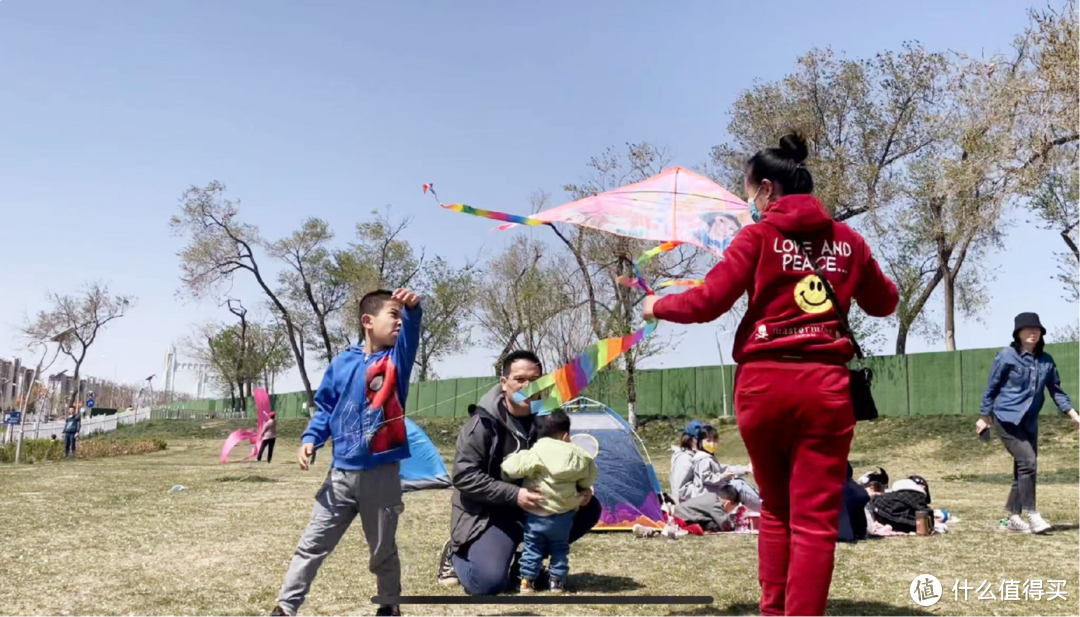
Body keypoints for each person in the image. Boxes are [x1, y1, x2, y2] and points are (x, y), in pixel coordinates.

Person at [644, 133, 899, 616]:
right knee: (816, 520)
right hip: (825, 388)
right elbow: (885, 303)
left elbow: (707, 302)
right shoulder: (849, 241)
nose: (747, 201)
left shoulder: (757, 238)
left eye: (747, 191)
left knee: (777, 509)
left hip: (763, 386)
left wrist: (657, 305)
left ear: (765, 189)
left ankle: (773, 610)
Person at [271, 288, 421, 617]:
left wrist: (413, 310)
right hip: (339, 477)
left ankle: (389, 607)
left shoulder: (396, 361)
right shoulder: (341, 363)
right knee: (311, 544)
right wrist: (311, 438)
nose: (398, 322)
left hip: (382, 476)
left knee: (382, 552)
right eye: (392, 315)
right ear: (368, 321)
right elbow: (325, 407)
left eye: (400, 317)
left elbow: (409, 332)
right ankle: (285, 607)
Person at [438, 350, 602, 595]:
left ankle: (524, 566)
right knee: (488, 584)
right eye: (520, 379)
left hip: (532, 510)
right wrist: (514, 494)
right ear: (504, 383)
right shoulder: (482, 423)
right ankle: (455, 552)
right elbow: (464, 476)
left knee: (589, 508)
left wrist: (579, 488)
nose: (528, 386)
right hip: (488, 514)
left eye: (535, 379)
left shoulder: (550, 420)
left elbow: (564, 461)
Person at [977, 312, 1076, 534]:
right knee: (1028, 462)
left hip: (1029, 423)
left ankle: (1013, 517)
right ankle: (1032, 514)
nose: (1033, 332)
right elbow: (992, 387)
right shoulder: (1006, 356)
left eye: (1037, 329)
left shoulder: (1046, 361)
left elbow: (1056, 392)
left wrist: (1074, 415)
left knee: (1023, 469)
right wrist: (984, 417)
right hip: (1006, 419)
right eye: (1027, 329)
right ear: (1018, 333)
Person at [500, 409, 598, 594]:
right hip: (564, 516)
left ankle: (526, 582)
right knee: (560, 549)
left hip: (537, 513)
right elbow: (589, 478)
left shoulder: (536, 453)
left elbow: (511, 468)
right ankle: (557, 582)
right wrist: (583, 487)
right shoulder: (580, 456)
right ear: (566, 435)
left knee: (531, 548)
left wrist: (510, 459)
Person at [687, 425, 761, 512]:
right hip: (707, 496)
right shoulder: (704, 459)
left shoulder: (708, 457)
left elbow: (725, 468)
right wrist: (724, 476)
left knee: (739, 482)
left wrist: (744, 469)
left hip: (712, 494)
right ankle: (763, 508)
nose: (712, 443)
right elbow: (707, 478)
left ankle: (761, 504)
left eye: (715, 440)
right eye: (708, 441)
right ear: (700, 442)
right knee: (738, 485)